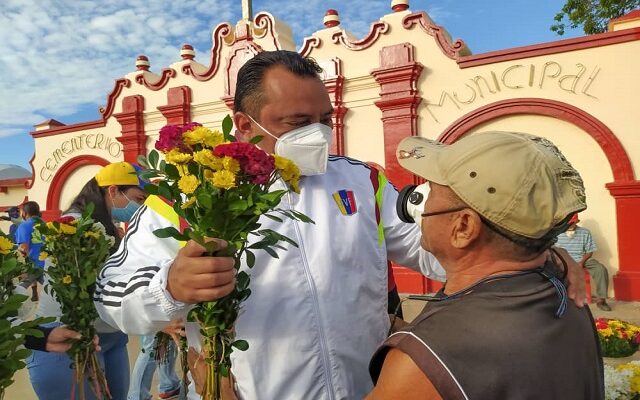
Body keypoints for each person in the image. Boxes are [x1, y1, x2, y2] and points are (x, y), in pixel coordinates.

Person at [94, 51, 587, 399]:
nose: (317, 133)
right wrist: (169, 288)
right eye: (296, 121)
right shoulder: (184, 200)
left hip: (371, 389)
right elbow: (111, 300)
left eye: (324, 118)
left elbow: (435, 249)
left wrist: (531, 256)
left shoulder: (362, 183)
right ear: (244, 125)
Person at [367, 131, 604, 399]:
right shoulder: (565, 288)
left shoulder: (420, 362)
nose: (418, 199)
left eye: (431, 189)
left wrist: (415, 341)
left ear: (464, 227)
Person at [27, 161, 147, 400]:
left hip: (111, 337)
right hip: (66, 339)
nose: (140, 207)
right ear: (113, 191)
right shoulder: (74, 226)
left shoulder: (107, 225)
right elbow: (86, 287)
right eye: (138, 199)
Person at [556, 214, 612, 311]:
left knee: (600, 269)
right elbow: (554, 251)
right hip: (564, 260)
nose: (571, 225)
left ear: (577, 222)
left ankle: (601, 300)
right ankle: (558, 299)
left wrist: (581, 262)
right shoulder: (557, 233)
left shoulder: (585, 232)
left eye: (574, 222)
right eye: (569, 223)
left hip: (581, 259)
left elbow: (590, 251)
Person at [15, 201, 45, 302]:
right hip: (46, 263)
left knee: (17, 290)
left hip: (32, 265)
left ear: (24, 213)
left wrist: (20, 266)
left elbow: (23, 248)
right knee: (53, 289)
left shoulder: (24, 226)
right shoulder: (45, 224)